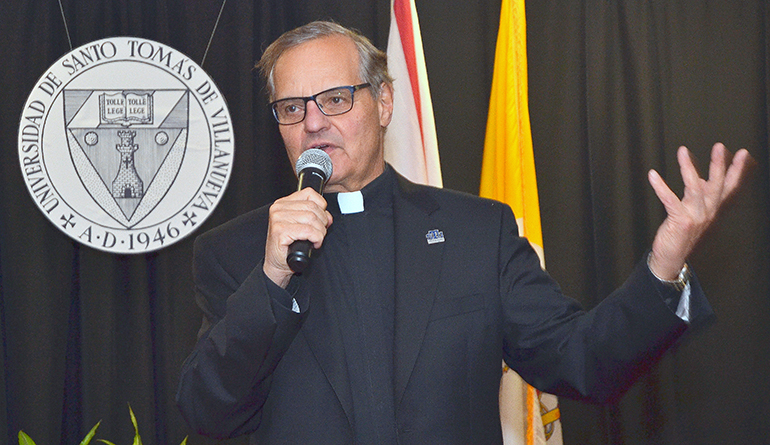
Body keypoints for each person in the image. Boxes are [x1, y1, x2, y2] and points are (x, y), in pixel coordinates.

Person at [176, 21, 752, 444]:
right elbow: (207, 412)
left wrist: (663, 264)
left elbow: (582, 362)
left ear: (384, 102)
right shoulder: (236, 253)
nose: (314, 122)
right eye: (291, 107)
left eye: (334, 98)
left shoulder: (479, 231)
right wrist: (273, 276)